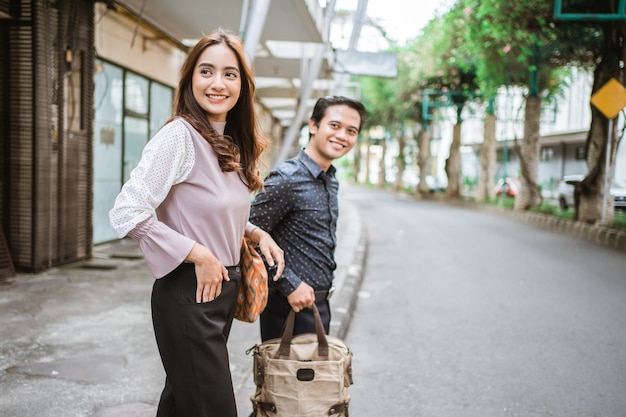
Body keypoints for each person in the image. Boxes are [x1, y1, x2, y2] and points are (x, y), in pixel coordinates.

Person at [109, 28, 284, 417]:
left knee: (181, 403)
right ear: (190, 78)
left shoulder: (229, 143)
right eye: (206, 71)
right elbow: (127, 210)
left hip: (220, 291)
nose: (217, 83)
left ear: (243, 85)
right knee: (213, 407)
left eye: (230, 74)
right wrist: (197, 253)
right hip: (189, 291)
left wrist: (257, 232)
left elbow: (211, 212)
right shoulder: (179, 136)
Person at [249, 95, 366, 342]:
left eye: (351, 130)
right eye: (334, 126)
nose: (342, 136)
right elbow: (246, 234)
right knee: (286, 381)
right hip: (288, 307)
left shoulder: (329, 178)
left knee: (316, 380)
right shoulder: (287, 179)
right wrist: (290, 284)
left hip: (317, 303)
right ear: (313, 125)